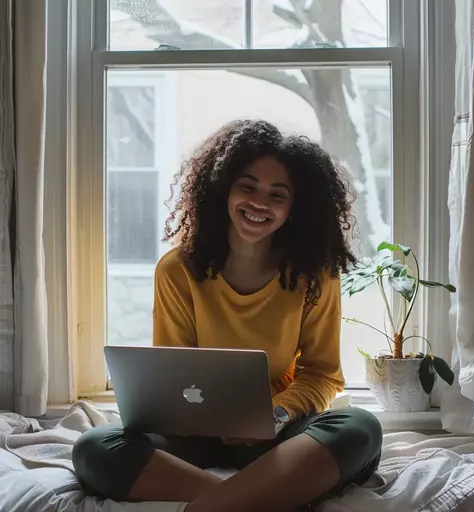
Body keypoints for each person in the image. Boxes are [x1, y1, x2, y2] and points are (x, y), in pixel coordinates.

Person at [72, 120, 382, 512]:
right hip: (193, 436)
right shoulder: (177, 269)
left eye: (277, 194)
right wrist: (203, 421)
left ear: (294, 208)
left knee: (360, 428)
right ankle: (250, 501)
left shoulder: (315, 273)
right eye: (247, 186)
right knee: (93, 448)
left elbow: (322, 375)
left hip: (278, 434)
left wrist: (277, 414)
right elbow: (172, 374)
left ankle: (218, 505)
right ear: (223, 190)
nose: (258, 203)